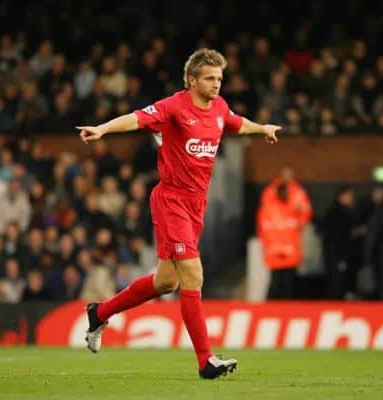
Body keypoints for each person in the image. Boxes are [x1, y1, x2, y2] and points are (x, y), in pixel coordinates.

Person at [76, 48, 280, 379]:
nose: (216, 84)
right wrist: (102, 129)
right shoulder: (174, 107)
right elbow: (137, 118)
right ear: (191, 80)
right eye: (210, 78)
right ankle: (205, 360)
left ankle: (99, 312)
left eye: (219, 79)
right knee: (193, 274)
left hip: (196, 204)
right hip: (171, 200)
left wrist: (263, 128)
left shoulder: (219, 108)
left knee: (166, 281)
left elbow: (236, 123)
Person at [256, 168, 312, 299]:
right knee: (281, 281)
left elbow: (305, 214)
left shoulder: (296, 193)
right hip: (283, 249)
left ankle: (277, 307)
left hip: (282, 248)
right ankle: (278, 307)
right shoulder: (273, 200)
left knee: (283, 280)